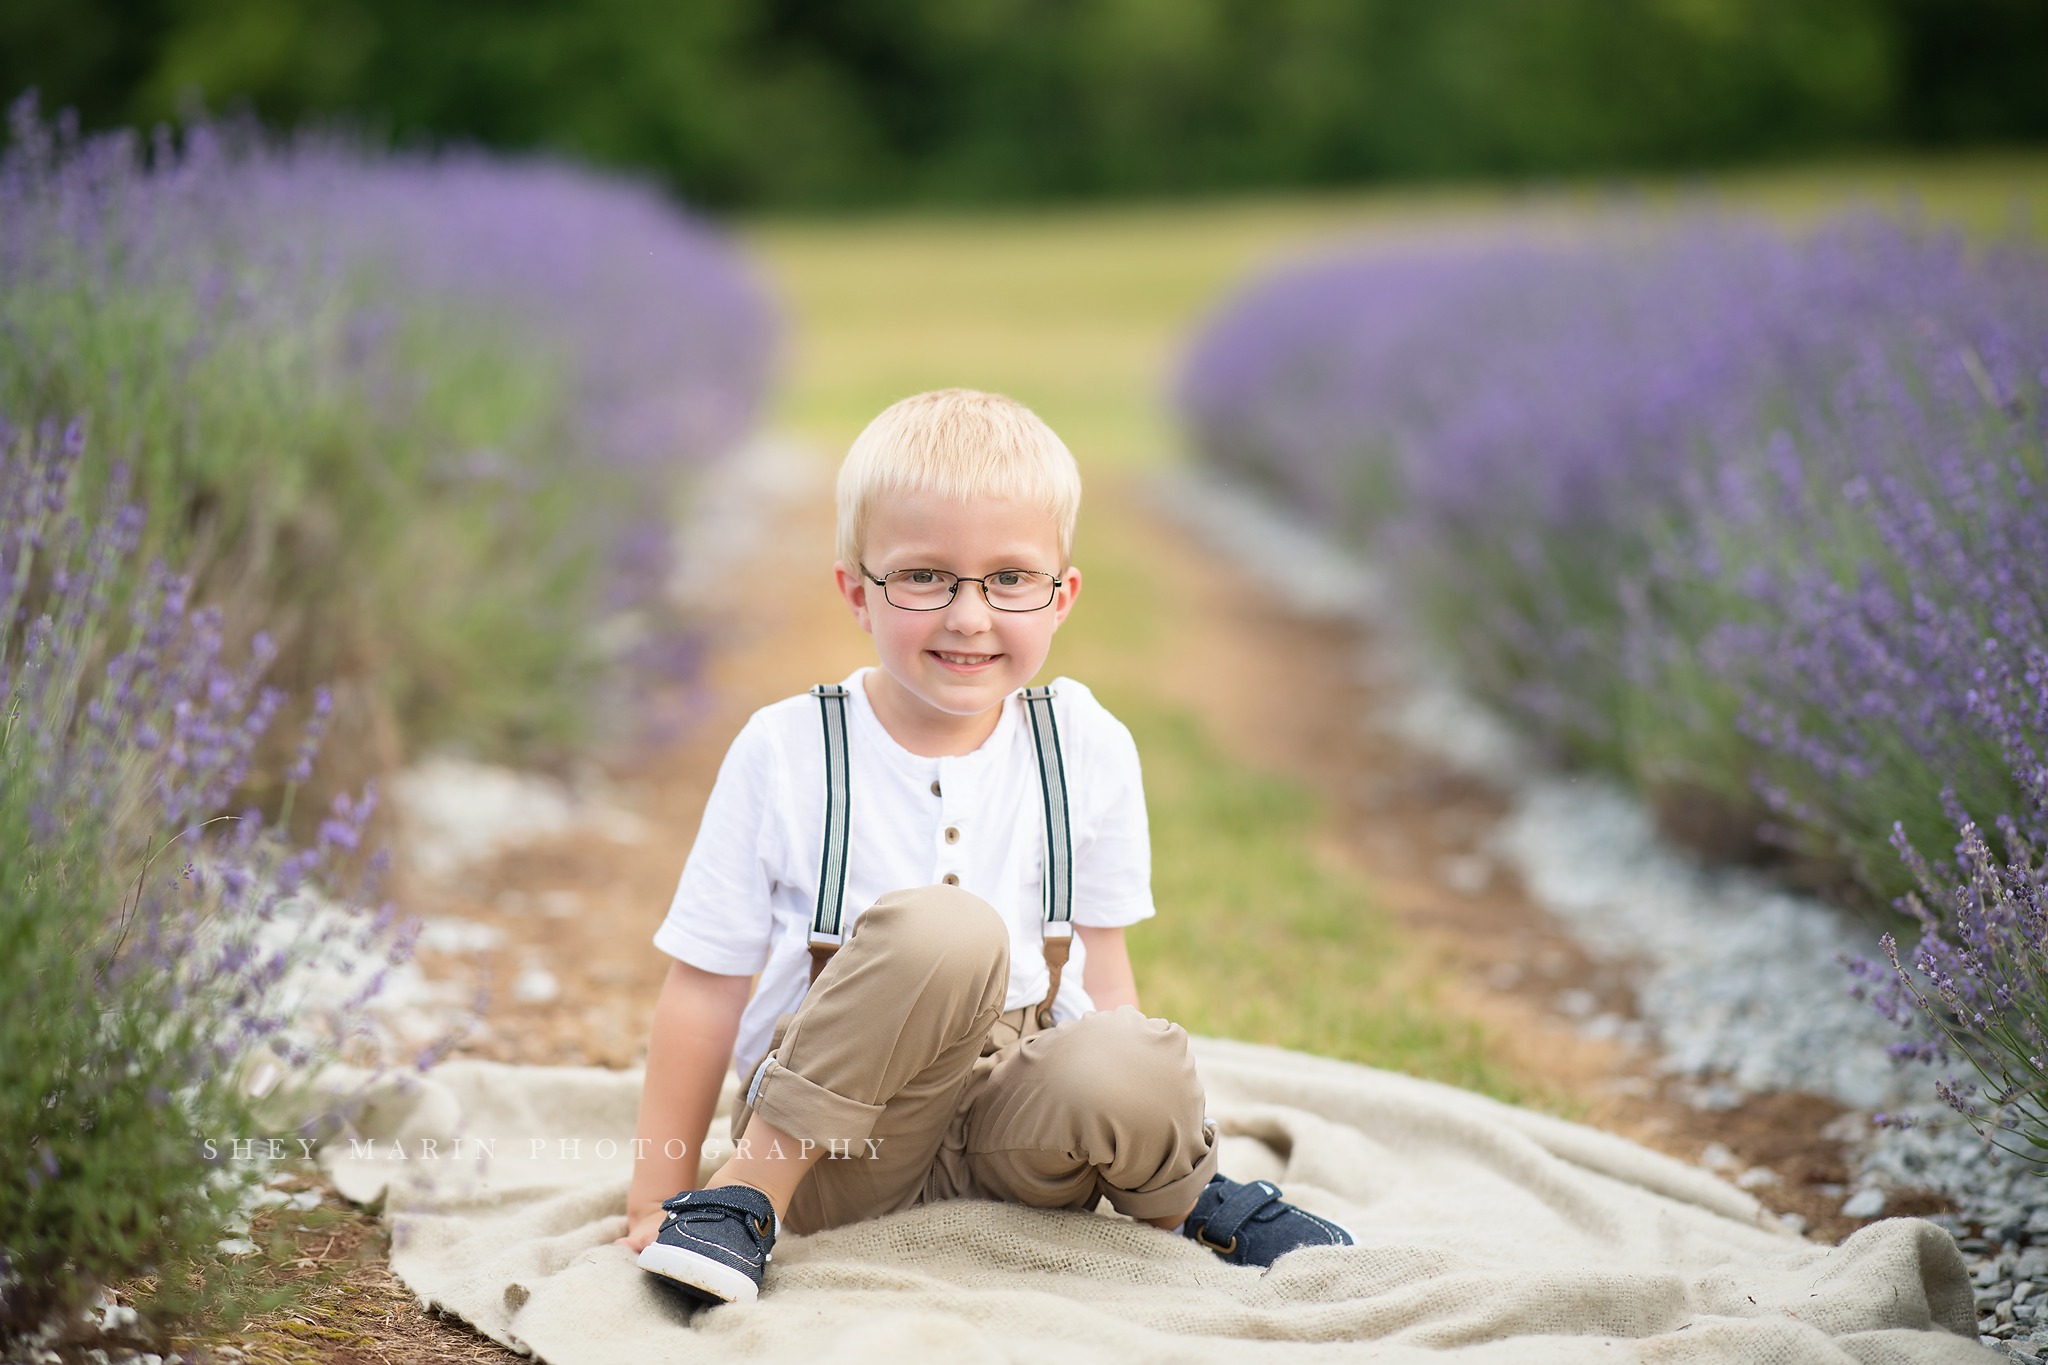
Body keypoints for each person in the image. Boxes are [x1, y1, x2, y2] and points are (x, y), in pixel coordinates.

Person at [617, 389, 1350, 1307]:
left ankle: (1183, 1201)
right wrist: (658, 1190)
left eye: (1009, 578)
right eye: (924, 577)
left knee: (1133, 1049)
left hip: (1021, 1138)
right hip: (843, 1147)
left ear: (1061, 595)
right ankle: (744, 1202)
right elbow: (706, 982)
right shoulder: (791, 747)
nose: (969, 615)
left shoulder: (1084, 742)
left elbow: (1104, 968)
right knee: (949, 929)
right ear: (856, 590)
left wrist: (1136, 1104)